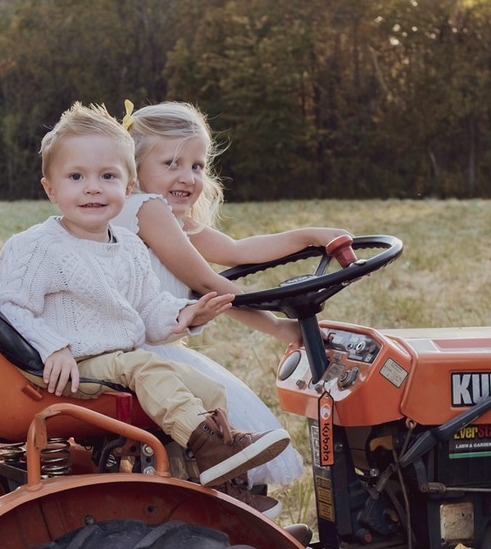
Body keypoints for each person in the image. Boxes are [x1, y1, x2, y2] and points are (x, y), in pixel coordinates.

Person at [0, 103, 292, 496]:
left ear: (128, 186)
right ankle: (208, 445)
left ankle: (216, 481)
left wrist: (187, 313)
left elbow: (148, 309)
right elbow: (7, 306)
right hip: (63, 366)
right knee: (145, 368)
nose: (93, 187)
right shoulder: (36, 247)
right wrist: (54, 347)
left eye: (108, 176)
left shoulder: (128, 247)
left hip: (114, 360)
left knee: (208, 388)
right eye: (76, 176)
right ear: (51, 188)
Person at [118, 100, 352, 494]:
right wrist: (279, 327)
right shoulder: (145, 210)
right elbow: (211, 281)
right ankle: (232, 501)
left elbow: (239, 251)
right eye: (171, 164)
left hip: (151, 346)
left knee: (215, 409)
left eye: (197, 166)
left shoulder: (168, 218)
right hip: (138, 352)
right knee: (219, 410)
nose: (188, 177)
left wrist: (312, 236)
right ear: (135, 168)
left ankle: (236, 504)